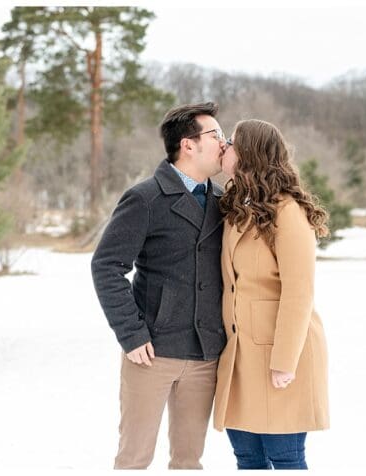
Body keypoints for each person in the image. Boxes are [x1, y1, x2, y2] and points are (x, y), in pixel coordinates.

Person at [91, 102, 228, 469]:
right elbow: (107, 266)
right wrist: (131, 334)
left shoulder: (223, 202)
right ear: (189, 145)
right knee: (134, 458)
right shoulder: (145, 198)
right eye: (216, 136)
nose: (224, 144)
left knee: (188, 461)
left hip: (204, 354)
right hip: (152, 352)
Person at [212, 119, 330, 469]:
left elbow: (299, 292)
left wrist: (284, 362)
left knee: (285, 458)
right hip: (239, 357)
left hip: (279, 358)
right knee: (248, 458)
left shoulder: (288, 212)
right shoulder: (236, 208)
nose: (223, 146)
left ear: (249, 153)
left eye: (230, 141)